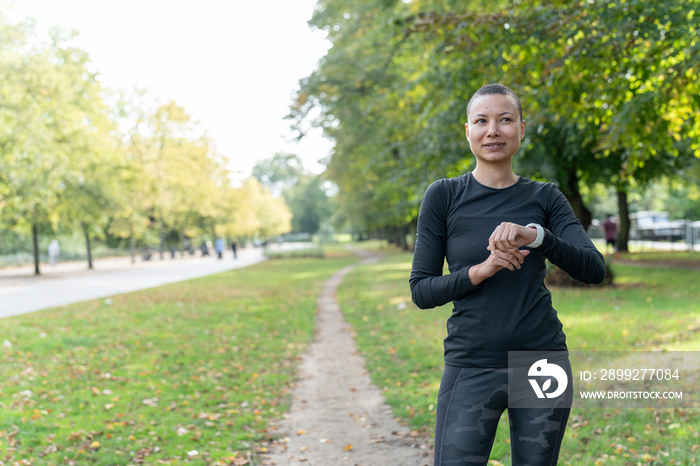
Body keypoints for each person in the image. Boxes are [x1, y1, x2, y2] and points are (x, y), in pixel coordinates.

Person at [409, 84, 605, 466]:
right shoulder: (444, 196)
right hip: (470, 364)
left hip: (542, 363)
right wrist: (480, 271)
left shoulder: (546, 198)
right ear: (468, 131)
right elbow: (421, 290)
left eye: (505, 119)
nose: (493, 130)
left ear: (521, 128)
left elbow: (592, 268)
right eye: (481, 121)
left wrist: (537, 236)